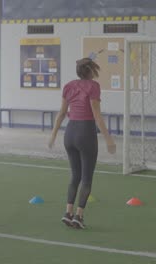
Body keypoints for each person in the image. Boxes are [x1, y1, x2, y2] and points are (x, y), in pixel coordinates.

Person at [48, 58, 116, 229]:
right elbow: (97, 115)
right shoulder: (93, 87)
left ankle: (68, 213)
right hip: (85, 132)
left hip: (69, 133)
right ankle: (79, 216)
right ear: (91, 71)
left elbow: (62, 113)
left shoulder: (69, 86)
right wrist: (109, 139)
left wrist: (53, 135)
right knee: (86, 178)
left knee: (74, 176)